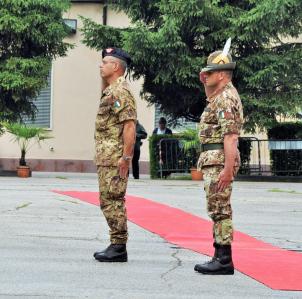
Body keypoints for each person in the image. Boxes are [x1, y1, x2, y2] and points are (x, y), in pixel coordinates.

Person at [194, 39, 244, 275]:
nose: (206, 75)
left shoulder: (226, 98)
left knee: (220, 208)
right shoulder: (220, 94)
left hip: (219, 160)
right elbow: (209, 97)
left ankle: (224, 259)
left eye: (210, 72)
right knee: (216, 207)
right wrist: (206, 83)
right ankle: (219, 255)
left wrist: (227, 168)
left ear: (222, 75)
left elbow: (231, 136)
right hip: (214, 158)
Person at [93, 47, 137, 263]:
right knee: (107, 200)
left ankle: (119, 246)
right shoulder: (111, 90)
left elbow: (129, 126)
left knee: (113, 199)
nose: (101, 65)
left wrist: (126, 158)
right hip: (107, 157)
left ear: (116, 67)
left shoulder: (120, 92)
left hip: (115, 158)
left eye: (105, 62)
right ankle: (116, 243)